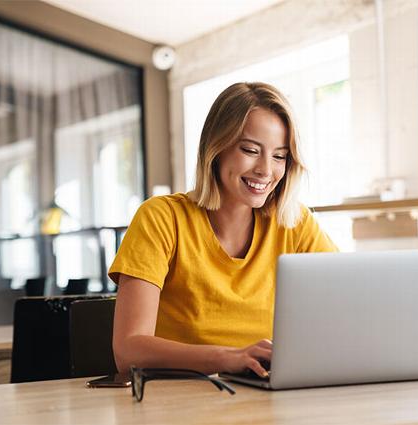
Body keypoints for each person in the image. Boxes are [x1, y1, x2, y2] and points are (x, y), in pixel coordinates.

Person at [109, 82, 338, 378]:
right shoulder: (162, 218)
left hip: (266, 396)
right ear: (216, 148)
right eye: (250, 150)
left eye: (279, 156)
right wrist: (228, 357)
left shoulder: (294, 223)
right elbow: (128, 352)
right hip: (181, 401)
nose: (266, 170)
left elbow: (346, 308)